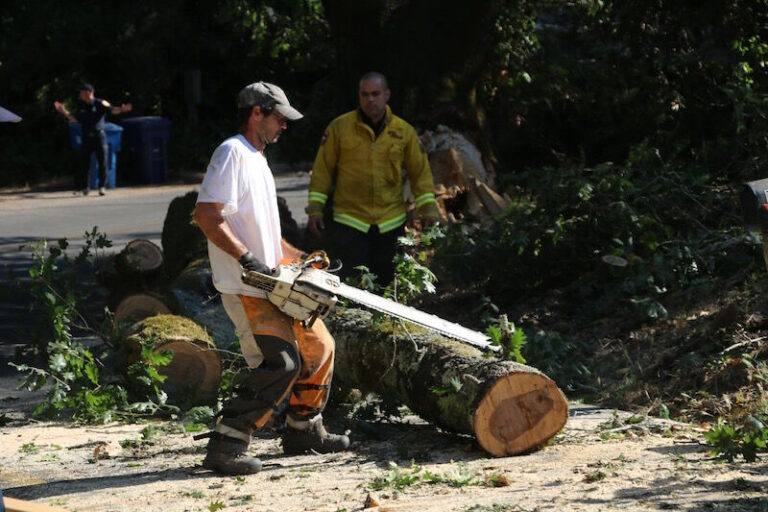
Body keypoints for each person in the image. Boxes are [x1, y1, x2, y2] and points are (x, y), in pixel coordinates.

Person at [192, 82, 350, 476]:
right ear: (257, 112)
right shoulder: (232, 153)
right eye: (279, 117)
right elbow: (207, 216)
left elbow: (268, 236)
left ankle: (303, 430)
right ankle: (226, 443)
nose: (284, 125)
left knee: (320, 348)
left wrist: (303, 261)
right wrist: (246, 259)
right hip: (246, 287)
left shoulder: (258, 159)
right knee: (279, 362)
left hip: (274, 284)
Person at [306, 71, 440, 285]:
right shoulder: (339, 128)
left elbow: (420, 173)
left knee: (386, 284)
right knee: (351, 283)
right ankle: (354, 319)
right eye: (365, 94)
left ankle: (382, 319)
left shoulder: (404, 132)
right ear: (359, 96)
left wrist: (429, 209)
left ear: (387, 95)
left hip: (390, 222)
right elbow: (322, 170)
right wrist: (315, 209)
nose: (370, 100)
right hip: (349, 221)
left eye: (375, 94)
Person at [54, 83, 132, 196]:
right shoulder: (81, 106)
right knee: (84, 163)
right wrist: (64, 111)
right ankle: (84, 187)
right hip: (86, 137)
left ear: (88, 92)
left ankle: (102, 186)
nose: (79, 94)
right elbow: (75, 118)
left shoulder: (100, 103)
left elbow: (112, 110)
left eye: (81, 91)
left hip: (99, 136)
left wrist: (122, 109)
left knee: (103, 162)